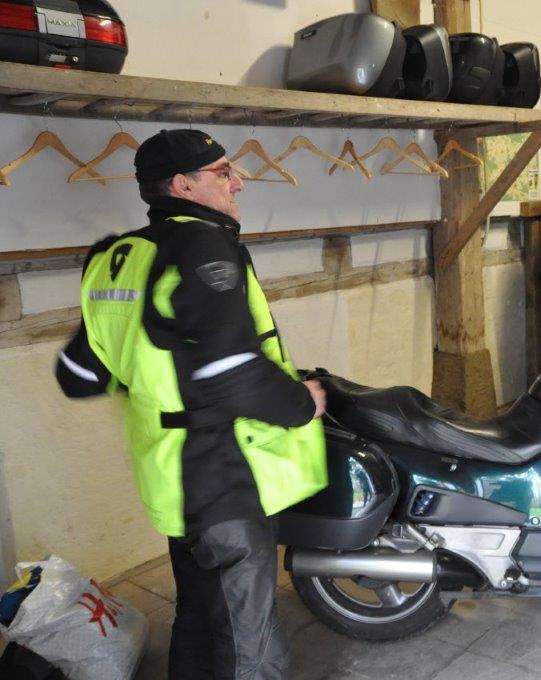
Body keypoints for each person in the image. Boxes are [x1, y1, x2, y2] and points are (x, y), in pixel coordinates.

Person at [54, 129, 328, 679]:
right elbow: (232, 373)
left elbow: (79, 375)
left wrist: (152, 371)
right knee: (249, 641)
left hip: (169, 474)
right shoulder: (202, 246)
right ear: (183, 185)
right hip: (222, 473)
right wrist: (302, 402)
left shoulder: (115, 258)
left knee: (200, 617)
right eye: (224, 172)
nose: (238, 182)